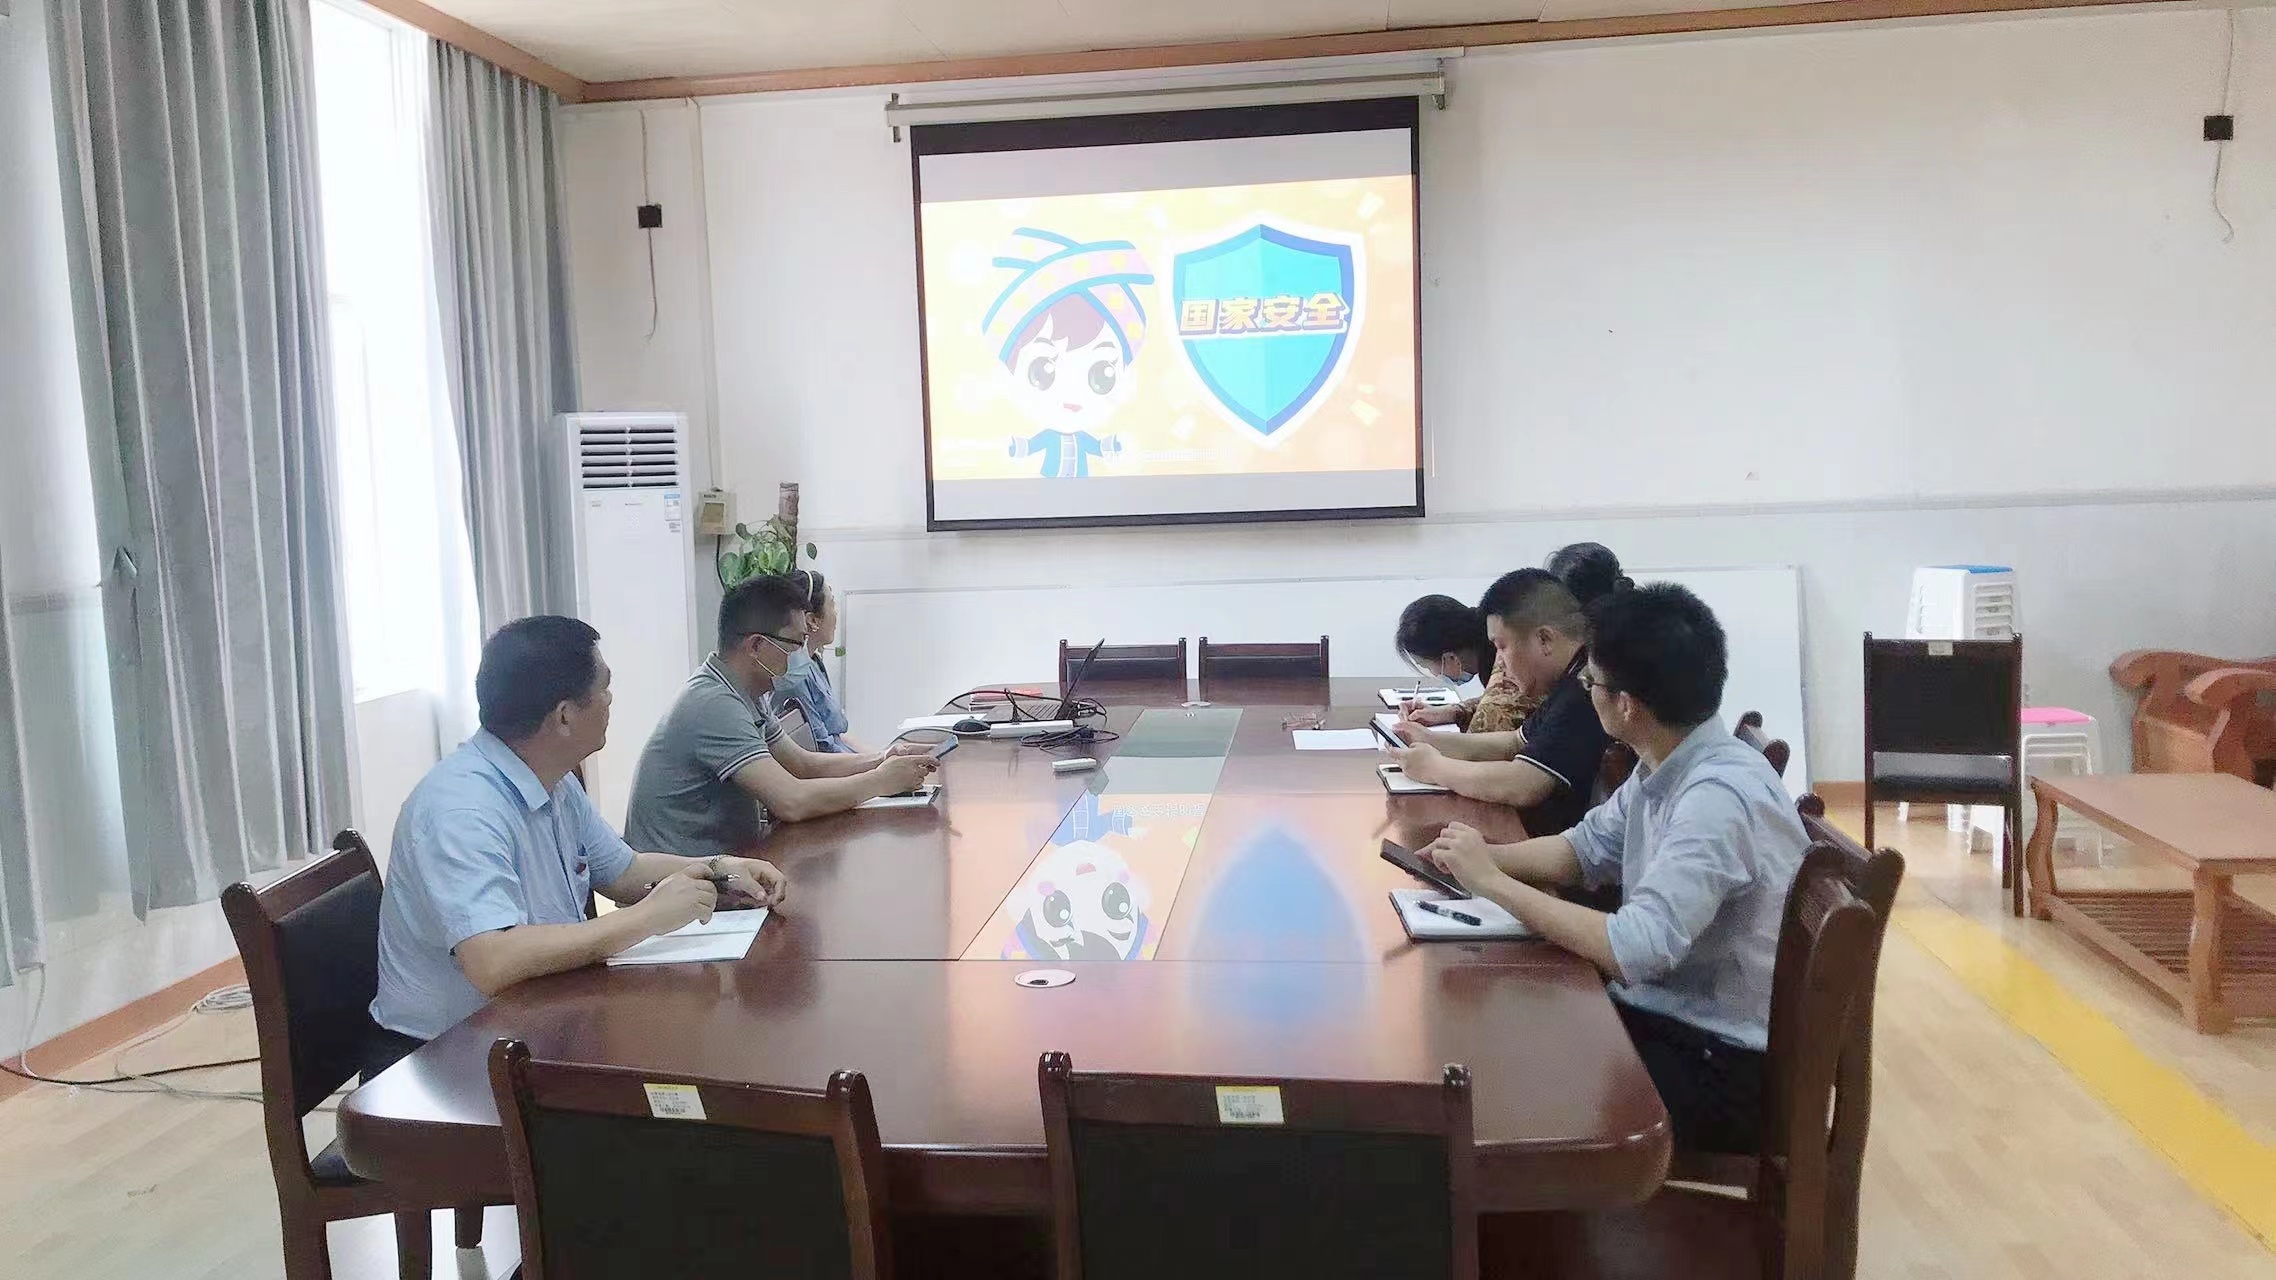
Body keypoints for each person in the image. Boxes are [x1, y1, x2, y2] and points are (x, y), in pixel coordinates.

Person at [1422, 583, 1807, 1154]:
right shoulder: (1668, 761)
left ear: (1626, 704)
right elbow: (1582, 849)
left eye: (1592, 683)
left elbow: (1635, 948)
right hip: (1672, 1017)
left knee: (1499, 1064)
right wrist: (1481, 859)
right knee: (1498, 1019)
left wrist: (1494, 884)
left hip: (1720, 1062)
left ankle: (1517, 1203)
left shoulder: (1717, 797)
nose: (1587, 692)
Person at [370, 616, 790, 1047]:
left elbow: (624, 872)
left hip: (536, 1018)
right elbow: (492, 960)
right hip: (446, 1053)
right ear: (565, 716)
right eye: (604, 688)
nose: (610, 699)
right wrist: (646, 917)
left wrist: (722, 868)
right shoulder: (461, 810)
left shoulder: (551, 777)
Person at [624, 574, 938, 861]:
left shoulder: (747, 691)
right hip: (682, 882)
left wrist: (882, 759)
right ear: (756, 645)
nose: (804, 654)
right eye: (797, 643)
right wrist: (881, 781)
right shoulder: (714, 703)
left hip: (727, 865)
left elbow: (802, 764)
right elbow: (791, 801)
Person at [1387, 570, 1611, 836]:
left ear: (1544, 639)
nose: (1500, 662)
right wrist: (1430, 740)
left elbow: (1523, 783)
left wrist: (1434, 767)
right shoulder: (1568, 680)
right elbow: (1515, 742)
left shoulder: (1587, 686)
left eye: (1502, 646)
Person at [1393, 594, 1531, 735]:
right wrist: (1450, 712)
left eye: (1426, 666)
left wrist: (1421, 738)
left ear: (1451, 658)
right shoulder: (1489, 645)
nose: (1434, 674)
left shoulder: (1507, 665)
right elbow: (1496, 700)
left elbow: (1480, 740)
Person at [774, 568, 858, 753]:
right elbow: (822, 748)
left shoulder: (813, 663)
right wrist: (880, 765)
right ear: (812, 620)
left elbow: (837, 736)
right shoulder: (793, 678)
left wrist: (885, 756)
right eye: (832, 604)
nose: (836, 614)